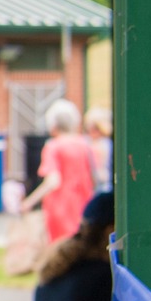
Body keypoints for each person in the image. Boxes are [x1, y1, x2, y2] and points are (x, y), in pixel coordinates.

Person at [18, 100, 93, 245]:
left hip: (60, 209)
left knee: (60, 252)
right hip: (83, 205)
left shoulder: (53, 146)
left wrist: (29, 202)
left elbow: (53, 181)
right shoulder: (84, 144)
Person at [85, 106, 113, 192]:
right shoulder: (107, 143)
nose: (91, 131)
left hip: (102, 185)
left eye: (94, 128)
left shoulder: (102, 144)